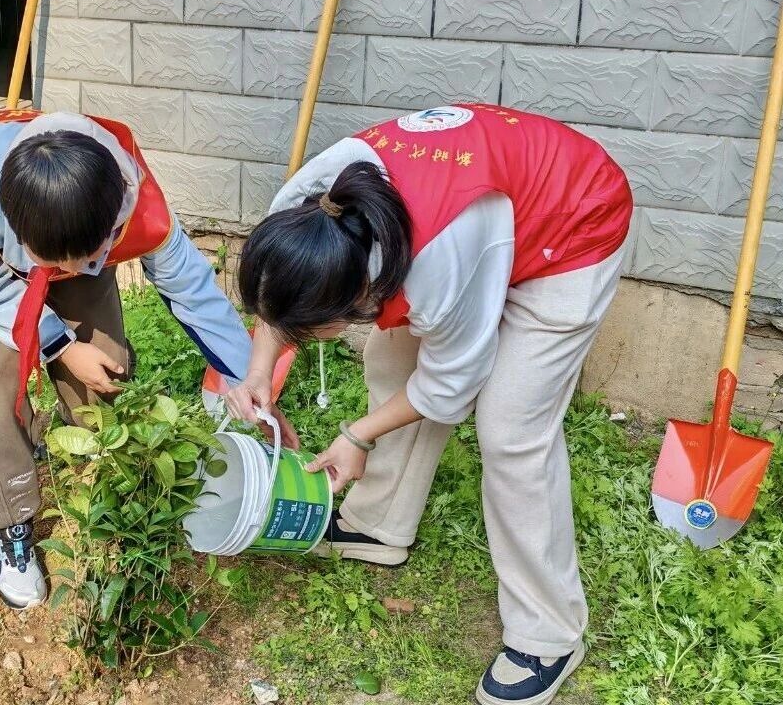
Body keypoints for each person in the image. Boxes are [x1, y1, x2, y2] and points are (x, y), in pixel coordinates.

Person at [224, 104, 633, 705]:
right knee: (392, 366)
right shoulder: (304, 212)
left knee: (512, 430)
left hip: (572, 220)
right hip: (487, 208)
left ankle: (549, 633)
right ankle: (377, 526)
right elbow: (276, 294)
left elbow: (449, 385)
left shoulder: (437, 264)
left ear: (359, 298)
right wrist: (260, 370)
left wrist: (357, 436)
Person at [0, 108, 254, 611]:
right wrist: (62, 345)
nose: (67, 268)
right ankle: (8, 521)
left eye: (88, 254)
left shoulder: (129, 195)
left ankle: (94, 471)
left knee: (107, 367)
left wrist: (246, 377)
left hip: (70, 243)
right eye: (52, 260)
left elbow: (191, 288)